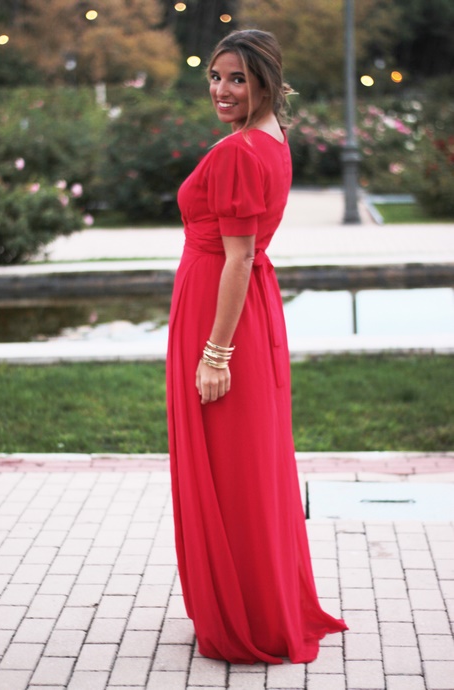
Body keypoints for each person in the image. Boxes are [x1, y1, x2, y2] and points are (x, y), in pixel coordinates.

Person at [166, 29, 347, 665]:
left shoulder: (243, 151)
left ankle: (245, 615)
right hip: (243, 310)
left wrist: (216, 354)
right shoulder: (270, 141)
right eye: (216, 77)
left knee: (231, 467)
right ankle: (251, 598)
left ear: (266, 82)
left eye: (237, 78)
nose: (222, 89)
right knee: (245, 462)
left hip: (224, 318)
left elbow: (239, 257)